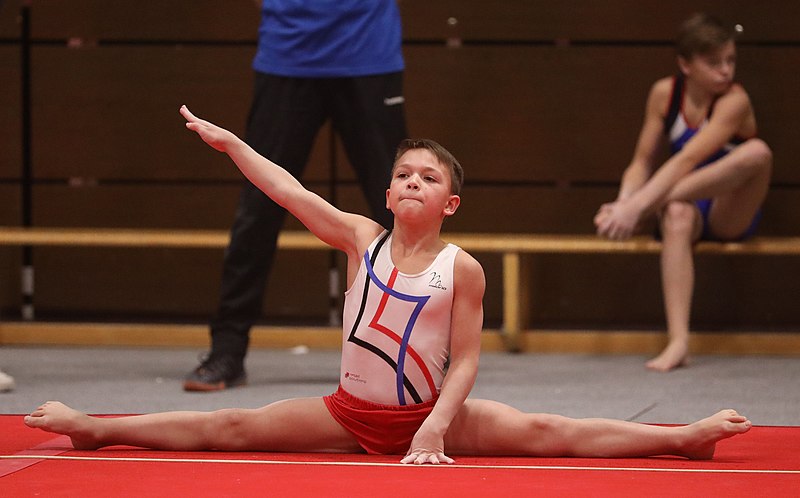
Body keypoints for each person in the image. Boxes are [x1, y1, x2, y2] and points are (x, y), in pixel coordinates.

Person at [23, 107, 752, 464]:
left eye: (428, 178)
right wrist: (235, 145)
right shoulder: (360, 239)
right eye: (404, 172)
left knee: (545, 432)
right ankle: (97, 428)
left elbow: (465, 360)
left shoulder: (460, 267)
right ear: (387, 188)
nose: (412, 181)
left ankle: (680, 438)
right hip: (349, 412)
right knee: (229, 427)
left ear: (449, 204)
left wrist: (436, 425)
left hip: (426, 416)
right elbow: (287, 190)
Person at [184, 0, 408, 391]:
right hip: (287, 56)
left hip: (368, 53)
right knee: (258, 208)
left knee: (403, 208)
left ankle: (421, 349)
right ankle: (227, 350)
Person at [594, 13, 772, 372]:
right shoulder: (665, 93)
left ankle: (649, 206)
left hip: (728, 209)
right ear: (685, 65)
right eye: (714, 63)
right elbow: (642, 161)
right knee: (676, 212)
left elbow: (690, 158)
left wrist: (638, 207)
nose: (726, 71)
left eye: (730, 60)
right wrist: (622, 203)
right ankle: (678, 342)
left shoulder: (734, 100)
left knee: (758, 153)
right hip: (682, 203)